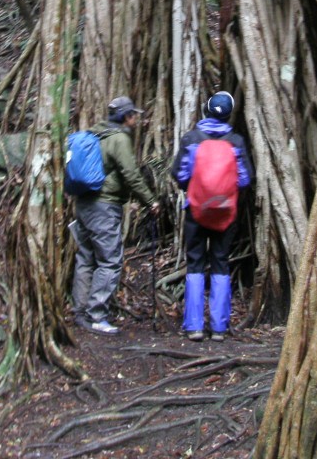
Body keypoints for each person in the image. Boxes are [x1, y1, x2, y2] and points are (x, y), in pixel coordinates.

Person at [72, 95, 159, 335]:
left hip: (83, 204)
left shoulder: (94, 134)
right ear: (127, 117)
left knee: (85, 258)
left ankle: (80, 312)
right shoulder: (119, 138)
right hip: (104, 206)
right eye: (134, 116)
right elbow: (131, 174)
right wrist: (150, 202)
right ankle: (97, 316)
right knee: (109, 261)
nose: (136, 121)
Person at [171, 91, 253, 342]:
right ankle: (218, 327)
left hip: (196, 210)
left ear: (206, 110)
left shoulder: (191, 139)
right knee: (220, 262)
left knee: (195, 263)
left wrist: (197, 190)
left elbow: (180, 174)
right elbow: (245, 178)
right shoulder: (236, 141)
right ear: (229, 115)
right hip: (225, 213)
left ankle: (194, 326)